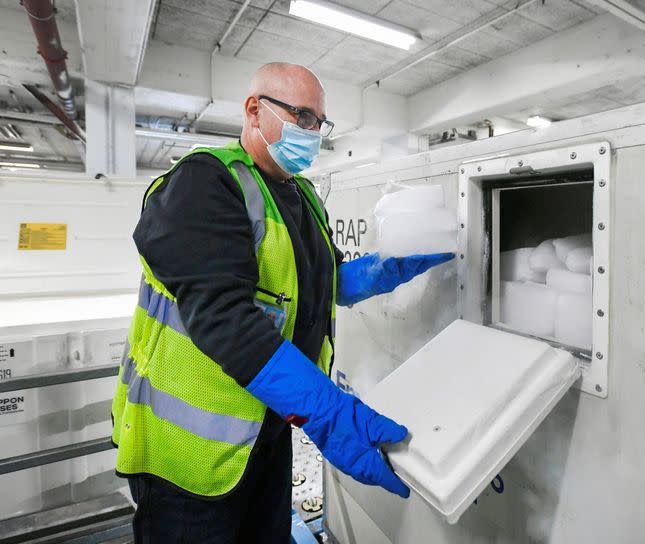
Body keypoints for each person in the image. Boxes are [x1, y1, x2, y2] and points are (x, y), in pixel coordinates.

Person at [110, 62, 453, 542]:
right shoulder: (205, 182)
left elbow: (321, 284)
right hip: (186, 458)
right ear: (255, 110)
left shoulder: (304, 197)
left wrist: (380, 272)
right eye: (303, 117)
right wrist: (329, 412)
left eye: (320, 123)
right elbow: (224, 317)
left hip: (265, 437)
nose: (314, 133)